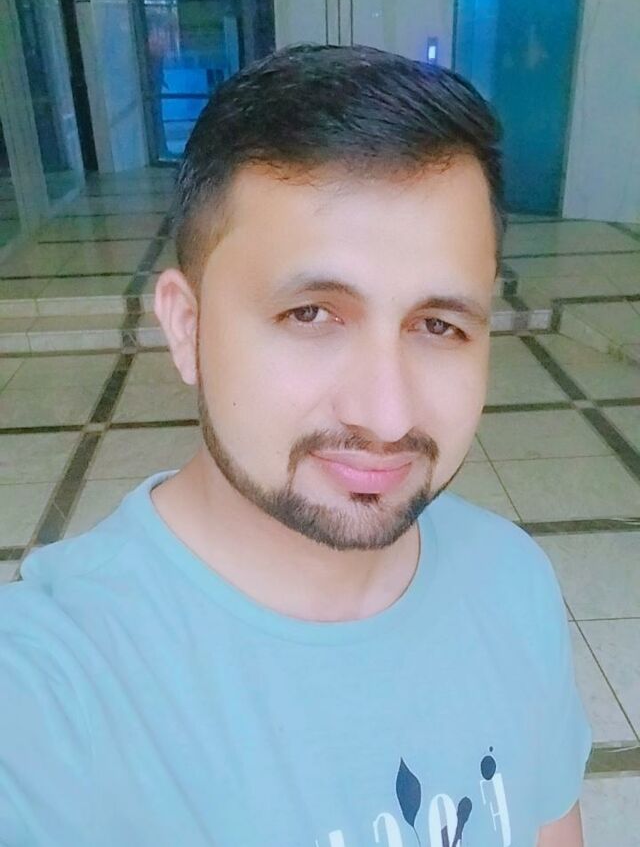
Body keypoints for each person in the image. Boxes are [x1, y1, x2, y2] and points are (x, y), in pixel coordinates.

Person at [0, 44, 591, 846]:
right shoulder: (44, 694)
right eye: (310, 314)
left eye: (438, 325)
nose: (386, 415)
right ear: (187, 326)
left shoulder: (513, 582)